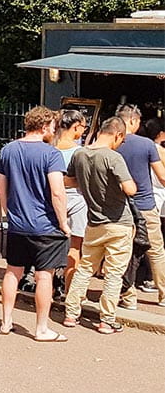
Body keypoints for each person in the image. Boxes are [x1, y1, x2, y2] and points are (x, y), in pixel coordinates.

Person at [0, 106, 69, 341]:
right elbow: (57, 192)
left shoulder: (8, 150)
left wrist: (11, 212)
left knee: (12, 271)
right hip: (45, 225)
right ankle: (41, 328)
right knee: (44, 276)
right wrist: (64, 223)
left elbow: (0, 188)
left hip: (18, 224)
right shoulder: (51, 154)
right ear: (46, 126)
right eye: (53, 126)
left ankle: (6, 322)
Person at [62, 117, 137, 333]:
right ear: (118, 135)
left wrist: (89, 183)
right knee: (114, 273)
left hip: (93, 222)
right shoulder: (114, 157)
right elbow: (130, 189)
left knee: (85, 268)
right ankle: (107, 319)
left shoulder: (80, 153)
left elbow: (70, 180)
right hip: (119, 223)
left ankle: (71, 313)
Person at [114, 105, 165, 308]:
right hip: (145, 204)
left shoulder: (112, 142)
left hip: (119, 206)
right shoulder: (146, 145)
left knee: (125, 252)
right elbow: (161, 176)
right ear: (133, 121)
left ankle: (128, 296)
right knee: (156, 251)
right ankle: (163, 294)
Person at [53, 110, 89, 289]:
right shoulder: (80, 151)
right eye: (83, 127)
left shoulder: (50, 147)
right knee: (75, 247)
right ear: (75, 127)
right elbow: (82, 180)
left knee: (50, 246)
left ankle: (47, 288)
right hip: (77, 200)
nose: (84, 130)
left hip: (52, 199)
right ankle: (69, 291)